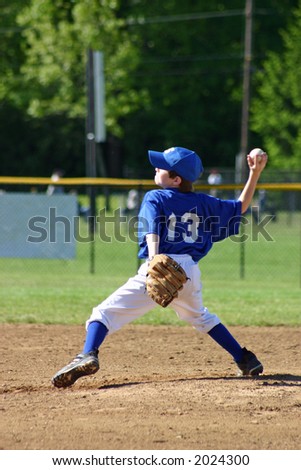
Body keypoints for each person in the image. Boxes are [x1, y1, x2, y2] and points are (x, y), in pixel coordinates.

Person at [52, 146, 268, 388]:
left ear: (176, 179)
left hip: (160, 263)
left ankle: (88, 354)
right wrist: (255, 173)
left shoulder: (156, 197)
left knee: (102, 314)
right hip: (189, 272)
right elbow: (240, 206)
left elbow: (151, 229)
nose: (156, 167)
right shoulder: (204, 202)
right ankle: (244, 359)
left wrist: (154, 260)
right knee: (202, 318)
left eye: (162, 166)